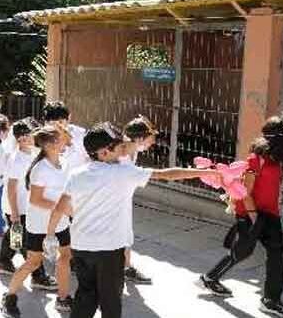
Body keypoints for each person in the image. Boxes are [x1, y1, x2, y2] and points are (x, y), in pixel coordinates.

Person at [41, 122, 223, 318]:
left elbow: (61, 207)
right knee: (110, 300)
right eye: (118, 146)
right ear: (103, 152)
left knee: (86, 294)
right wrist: (207, 172)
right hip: (109, 250)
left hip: (82, 246)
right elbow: (166, 175)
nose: (122, 149)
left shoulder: (77, 175)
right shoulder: (124, 173)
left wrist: (50, 235)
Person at [198, 116, 283, 317]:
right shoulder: (257, 159)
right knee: (243, 251)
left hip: (271, 214)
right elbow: (245, 192)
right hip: (251, 213)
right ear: (281, 139)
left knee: (277, 255)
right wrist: (253, 217)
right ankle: (211, 278)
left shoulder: (279, 158)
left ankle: (271, 300)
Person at [0, 125, 75, 317]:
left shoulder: (64, 162)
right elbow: (35, 199)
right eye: (60, 138)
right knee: (33, 262)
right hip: (39, 224)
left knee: (65, 257)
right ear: (50, 145)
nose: (65, 140)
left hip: (61, 221)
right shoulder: (41, 168)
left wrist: (68, 209)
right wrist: (61, 207)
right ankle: (9, 297)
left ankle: (63, 297)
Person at [0, 118, 57, 291]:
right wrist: (14, 213)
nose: (24, 140)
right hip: (18, 207)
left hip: (27, 207)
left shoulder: (35, 153)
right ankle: (38, 276)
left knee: (15, 238)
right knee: (30, 243)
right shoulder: (17, 159)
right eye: (20, 138)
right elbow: (11, 187)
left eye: (27, 136)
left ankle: (3, 262)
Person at [120, 116, 158, 285]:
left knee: (126, 235)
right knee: (119, 237)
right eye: (149, 140)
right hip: (113, 202)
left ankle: (126, 267)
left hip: (123, 201)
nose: (152, 144)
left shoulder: (131, 151)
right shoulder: (120, 155)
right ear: (139, 138)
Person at [42, 101, 88, 174]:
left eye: (60, 122)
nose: (57, 127)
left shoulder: (80, 134)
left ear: (69, 118)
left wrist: (69, 140)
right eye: (52, 123)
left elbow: (87, 156)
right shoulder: (42, 136)